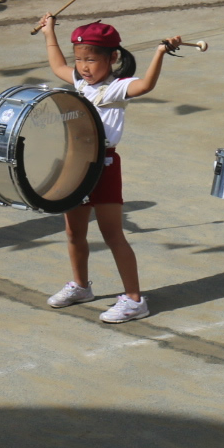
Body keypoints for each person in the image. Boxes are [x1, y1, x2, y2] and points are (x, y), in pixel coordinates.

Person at [36, 17, 181, 323]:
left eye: (91, 59)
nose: (83, 66)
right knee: (74, 232)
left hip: (103, 166)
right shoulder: (79, 83)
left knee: (113, 234)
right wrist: (49, 32)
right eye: (79, 59)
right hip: (73, 164)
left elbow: (145, 85)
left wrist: (159, 53)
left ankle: (134, 299)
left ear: (112, 58)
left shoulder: (117, 88)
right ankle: (80, 285)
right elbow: (57, 65)